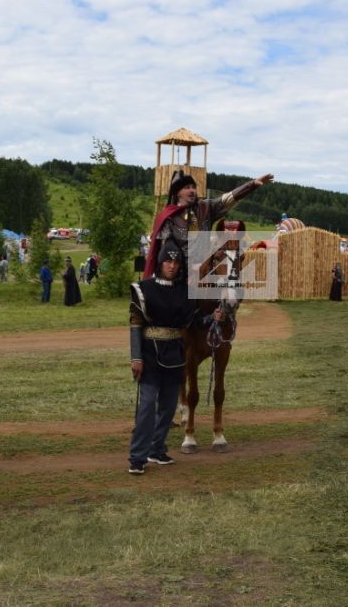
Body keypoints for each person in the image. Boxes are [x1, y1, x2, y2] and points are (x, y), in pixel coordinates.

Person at [128, 239, 201, 474]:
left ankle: (157, 449)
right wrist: (136, 357)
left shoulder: (183, 293)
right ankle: (138, 457)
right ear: (160, 263)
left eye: (176, 262)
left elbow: (192, 322)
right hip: (149, 354)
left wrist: (214, 319)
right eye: (168, 261)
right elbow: (136, 325)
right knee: (148, 405)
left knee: (169, 407)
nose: (172, 265)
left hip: (175, 354)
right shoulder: (144, 289)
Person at [144, 171, 273, 280]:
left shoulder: (205, 207)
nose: (192, 190)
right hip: (179, 274)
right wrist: (187, 267)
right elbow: (167, 249)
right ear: (178, 193)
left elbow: (228, 198)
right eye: (187, 187)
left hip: (205, 271)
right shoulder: (168, 217)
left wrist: (252, 185)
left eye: (193, 187)